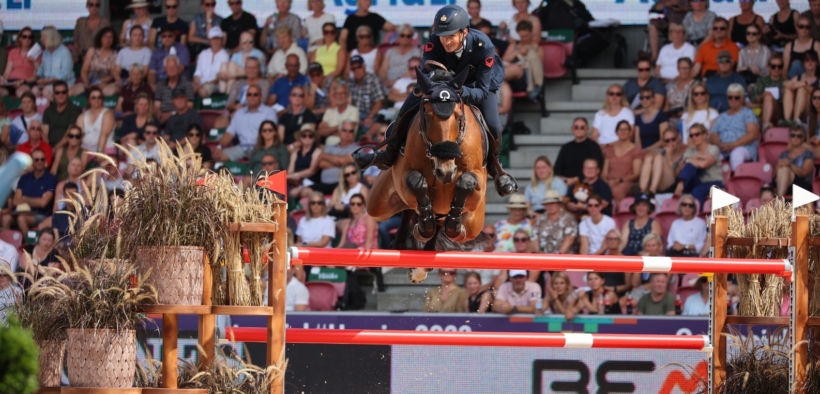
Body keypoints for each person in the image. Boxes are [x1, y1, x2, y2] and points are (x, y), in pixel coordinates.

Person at [352, 5, 516, 197]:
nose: (445, 41)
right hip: (444, 80)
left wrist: (459, 91)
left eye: (451, 36)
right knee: (410, 103)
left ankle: (497, 169)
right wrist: (437, 84)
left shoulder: (483, 46)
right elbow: (426, 72)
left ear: (464, 32)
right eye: (442, 35)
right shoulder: (434, 41)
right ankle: (390, 151)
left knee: (494, 125)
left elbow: (481, 91)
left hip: (476, 83)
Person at [214, 85, 277, 161]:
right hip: (241, 148)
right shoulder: (239, 113)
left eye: (255, 94)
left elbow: (271, 135)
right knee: (217, 156)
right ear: (246, 97)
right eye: (249, 94)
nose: (252, 97)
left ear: (261, 96)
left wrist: (258, 149)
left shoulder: (269, 112)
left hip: (260, 148)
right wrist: (219, 147)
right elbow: (229, 133)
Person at [1, 149, 56, 234]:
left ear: (45, 161)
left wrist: (25, 198)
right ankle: (7, 245)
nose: (40, 162)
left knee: (21, 218)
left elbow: (43, 203)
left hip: (41, 214)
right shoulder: (24, 178)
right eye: (37, 160)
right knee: (5, 218)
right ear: (32, 162)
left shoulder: (51, 179)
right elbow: (15, 201)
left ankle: (29, 244)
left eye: (42, 159)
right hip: (20, 212)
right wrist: (36, 200)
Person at [710, 83, 760, 170]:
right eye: (730, 97)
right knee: (710, 155)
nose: (733, 100)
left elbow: (752, 134)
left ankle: (737, 180)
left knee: (736, 154)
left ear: (742, 99)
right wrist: (720, 144)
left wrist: (733, 145)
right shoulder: (722, 116)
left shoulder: (747, 113)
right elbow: (713, 134)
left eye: (736, 97)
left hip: (744, 147)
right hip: (723, 148)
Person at [675, 123, 724, 205]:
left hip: (714, 181)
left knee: (697, 190)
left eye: (697, 134)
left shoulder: (713, 148)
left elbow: (704, 164)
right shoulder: (690, 151)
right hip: (697, 181)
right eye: (691, 135)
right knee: (689, 166)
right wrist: (697, 159)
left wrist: (690, 159)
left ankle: (699, 214)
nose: (694, 138)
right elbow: (681, 169)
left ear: (704, 135)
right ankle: (680, 185)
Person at [554, 118, 604, 187]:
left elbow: (597, 169)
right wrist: (563, 180)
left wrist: (575, 180)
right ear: (572, 129)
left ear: (587, 129)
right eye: (576, 127)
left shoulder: (594, 147)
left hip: (587, 185)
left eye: (582, 127)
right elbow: (557, 169)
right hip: (565, 184)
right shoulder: (565, 147)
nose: (579, 129)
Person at [71, 27, 120, 96]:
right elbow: (84, 70)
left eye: (111, 37)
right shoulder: (92, 50)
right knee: (71, 92)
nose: (108, 40)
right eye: (105, 36)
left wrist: (99, 82)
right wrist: (86, 82)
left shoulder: (115, 54)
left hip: (105, 82)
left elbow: (112, 75)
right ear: (100, 38)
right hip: (89, 79)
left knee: (105, 91)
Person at [602, 120, 644, 202]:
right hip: (610, 181)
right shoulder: (609, 150)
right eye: (621, 129)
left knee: (617, 190)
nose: (623, 132)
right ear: (616, 132)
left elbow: (636, 174)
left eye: (626, 129)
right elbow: (604, 173)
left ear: (630, 132)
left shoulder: (636, 150)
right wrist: (606, 181)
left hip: (626, 182)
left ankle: (618, 213)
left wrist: (619, 180)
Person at [314, 121, 359, 194]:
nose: (347, 134)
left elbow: (342, 161)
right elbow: (321, 163)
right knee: (304, 191)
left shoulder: (357, 149)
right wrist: (341, 164)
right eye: (344, 130)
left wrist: (324, 155)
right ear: (339, 132)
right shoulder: (330, 147)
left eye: (351, 131)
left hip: (343, 184)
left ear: (354, 134)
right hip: (324, 184)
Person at [32, 26, 76, 101]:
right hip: (48, 84)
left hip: (65, 83)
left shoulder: (64, 52)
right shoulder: (46, 52)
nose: (41, 39)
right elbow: (42, 69)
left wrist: (49, 80)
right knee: (34, 90)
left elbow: (65, 74)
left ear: (49, 38)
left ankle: (56, 109)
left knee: (46, 91)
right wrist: (37, 74)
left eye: (43, 37)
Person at [639, 128, 685, 195]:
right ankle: (642, 192)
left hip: (672, 185)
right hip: (658, 183)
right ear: (664, 143)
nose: (671, 142)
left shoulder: (683, 156)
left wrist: (670, 158)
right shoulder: (661, 151)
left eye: (673, 139)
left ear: (678, 139)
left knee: (659, 157)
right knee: (649, 157)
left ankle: (652, 191)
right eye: (667, 141)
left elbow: (677, 177)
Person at [219, 31, 266, 95]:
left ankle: (227, 95)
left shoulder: (259, 54)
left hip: (251, 79)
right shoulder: (236, 55)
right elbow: (230, 71)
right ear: (240, 43)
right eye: (245, 42)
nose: (248, 44)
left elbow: (261, 73)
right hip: (235, 79)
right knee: (224, 65)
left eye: (250, 42)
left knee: (232, 67)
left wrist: (233, 75)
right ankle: (223, 93)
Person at [533, 190, 578, 254]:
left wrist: (558, 256)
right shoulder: (540, 220)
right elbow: (534, 238)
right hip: (543, 258)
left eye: (553, 203)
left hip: (563, 258)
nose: (550, 206)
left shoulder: (568, 218)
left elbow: (569, 239)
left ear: (559, 204)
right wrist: (538, 252)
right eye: (547, 204)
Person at [750, 54, 786, 131]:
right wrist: (763, 97)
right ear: (768, 67)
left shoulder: (784, 82)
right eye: (773, 66)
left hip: (778, 114)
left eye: (779, 66)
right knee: (767, 96)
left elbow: (784, 104)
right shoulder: (761, 81)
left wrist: (769, 98)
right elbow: (754, 99)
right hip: (761, 110)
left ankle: (764, 128)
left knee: (769, 96)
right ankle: (765, 126)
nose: (776, 69)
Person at [154, 55, 195, 123]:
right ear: (165, 69)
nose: (171, 69)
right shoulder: (160, 84)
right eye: (169, 67)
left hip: (180, 117)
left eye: (174, 67)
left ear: (178, 68)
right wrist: (159, 114)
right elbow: (156, 105)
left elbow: (190, 105)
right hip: (163, 118)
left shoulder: (187, 84)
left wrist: (171, 114)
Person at [42, 80, 83, 149]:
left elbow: (70, 133)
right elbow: (44, 133)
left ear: (67, 93)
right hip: (50, 147)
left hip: (67, 148)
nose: (60, 95)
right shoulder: (48, 110)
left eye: (63, 92)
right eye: (57, 93)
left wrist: (56, 148)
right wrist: (48, 149)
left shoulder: (75, 110)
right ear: (53, 95)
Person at [776, 124, 815, 196]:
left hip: (802, 185)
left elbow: (804, 173)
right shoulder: (784, 154)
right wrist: (779, 165)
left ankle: (779, 199)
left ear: (803, 138)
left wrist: (789, 164)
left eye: (799, 136)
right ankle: (780, 199)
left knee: (786, 169)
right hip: (786, 184)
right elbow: (774, 175)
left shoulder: (808, 154)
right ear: (789, 137)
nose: (795, 138)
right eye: (793, 135)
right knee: (783, 169)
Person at [783, 50, 820, 124]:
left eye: (813, 59)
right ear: (803, 63)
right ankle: (787, 120)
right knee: (788, 90)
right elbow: (785, 83)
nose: (810, 62)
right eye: (807, 60)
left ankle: (796, 121)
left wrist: (804, 85)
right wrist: (792, 84)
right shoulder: (798, 77)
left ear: (817, 62)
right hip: (796, 108)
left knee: (802, 90)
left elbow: (817, 94)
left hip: (811, 110)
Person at [378, 25, 421, 90]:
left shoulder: (416, 52)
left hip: (406, 84)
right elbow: (383, 69)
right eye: (402, 35)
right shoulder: (390, 51)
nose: (405, 38)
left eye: (408, 36)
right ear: (398, 36)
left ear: (411, 38)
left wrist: (395, 81)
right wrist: (385, 80)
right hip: (388, 84)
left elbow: (414, 71)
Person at [76, 86, 115, 155]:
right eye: (93, 98)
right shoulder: (82, 116)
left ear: (102, 99)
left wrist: (99, 153)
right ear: (89, 100)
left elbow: (104, 135)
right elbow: (77, 136)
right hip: (85, 150)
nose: (96, 100)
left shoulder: (107, 114)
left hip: (104, 150)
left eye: (99, 97)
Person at [348, 55, 384, 128]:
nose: (357, 70)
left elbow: (379, 101)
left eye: (359, 67)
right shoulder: (350, 83)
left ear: (364, 67)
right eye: (354, 69)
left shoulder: (374, 80)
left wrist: (370, 116)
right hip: (355, 116)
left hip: (372, 115)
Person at [286, 127, 323, 199]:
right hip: (296, 182)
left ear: (314, 138)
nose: (307, 138)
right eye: (304, 135)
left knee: (294, 192)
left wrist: (296, 175)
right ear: (300, 138)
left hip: (312, 182)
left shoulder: (317, 151)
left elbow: (311, 171)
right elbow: (290, 170)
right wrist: (292, 177)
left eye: (310, 136)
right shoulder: (296, 152)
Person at [193, 26, 229, 98]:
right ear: (209, 40)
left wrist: (202, 85)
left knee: (202, 91)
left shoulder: (225, 55)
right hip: (200, 83)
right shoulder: (203, 53)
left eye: (218, 39)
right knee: (189, 89)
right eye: (213, 39)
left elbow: (218, 78)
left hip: (214, 84)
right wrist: (197, 84)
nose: (216, 41)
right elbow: (197, 73)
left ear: (222, 40)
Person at [0, 27, 36, 98]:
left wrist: (23, 81)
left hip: (26, 82)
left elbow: (36, 76)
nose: (27, 39)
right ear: (20, 38)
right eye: (24, 37)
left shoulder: (35, 53)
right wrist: (4, 80)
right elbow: (7, 72)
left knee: (20, 92)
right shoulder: (13, 52)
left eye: (30, 37)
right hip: (11, 82)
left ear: (32, 39)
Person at [665, 58, 695, 123]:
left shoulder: (695, 85)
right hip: (671, 118)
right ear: (678, 69)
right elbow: (666, 108)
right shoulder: (671, 86)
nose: (684, 71)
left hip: (689, 119)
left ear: (691, 69)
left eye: (687, 68)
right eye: (682, 68)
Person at [805, 87, 820, 157]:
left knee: (801, 148)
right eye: (814, 98)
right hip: (814, 147)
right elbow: (808, 140)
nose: (817, 100)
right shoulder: (810, 117)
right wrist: (811, 140)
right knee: (803, 145)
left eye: (819, 98)